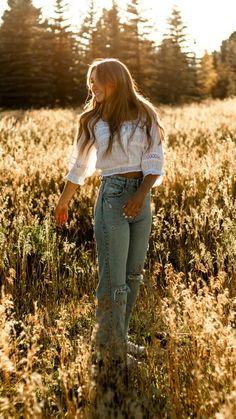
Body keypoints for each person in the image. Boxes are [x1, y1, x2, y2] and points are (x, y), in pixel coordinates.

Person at [55, 58, 165, 366]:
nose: (92, 86)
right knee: (113, 279)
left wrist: (141, 195)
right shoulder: (91, 120)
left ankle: (118, 339)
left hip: (141, 200)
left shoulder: (145, 114)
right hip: (112, 199)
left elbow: (155, 160)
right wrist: (63, 201)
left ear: (116, 81)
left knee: (133, 276)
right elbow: (79, 166)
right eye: (90, 81)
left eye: (97, 80)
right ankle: (112, 349)